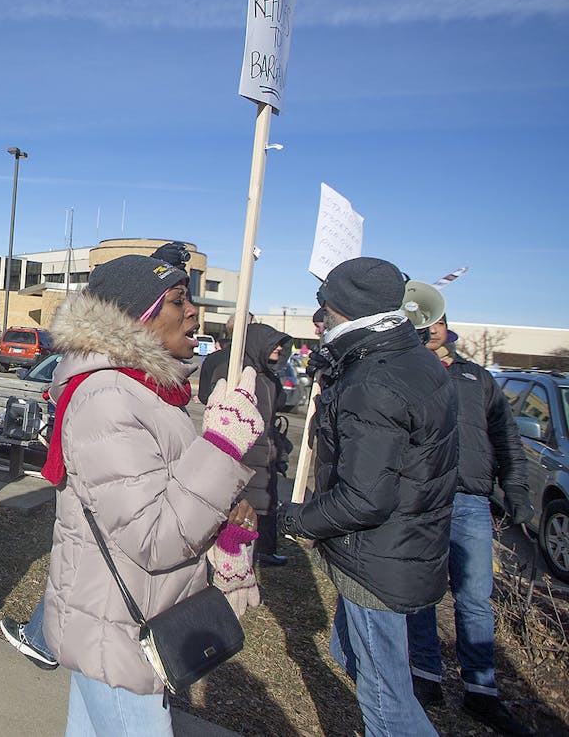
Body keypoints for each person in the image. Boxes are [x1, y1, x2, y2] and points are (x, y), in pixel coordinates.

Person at [43, 255, 261, 736]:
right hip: (118, 630)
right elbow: (155, 536)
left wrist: (223, 526)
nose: (193, 312)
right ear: (134, 317)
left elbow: (167, 501)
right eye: (178, 300)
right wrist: (222, 448)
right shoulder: (109, 397)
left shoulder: (145, 390)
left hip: (127, 620)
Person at [279, 257, 457, 737]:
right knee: (350, 654)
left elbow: (364, 499)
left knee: (385, 700)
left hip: (376, 559)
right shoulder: (411, 357)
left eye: (323, 309)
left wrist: (292, 519)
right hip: (402, 546)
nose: (317, 321)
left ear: (344, 313)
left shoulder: (373, 379)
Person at [407, 312, 533, 735]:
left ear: (447, 328)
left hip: (470, 501)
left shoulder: (478, 379)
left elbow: (506, 435)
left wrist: (514, 485)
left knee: (475, 598)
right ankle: (425, 676)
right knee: (422, 592)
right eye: (425, 323)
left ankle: (481, 691)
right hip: (422, 497)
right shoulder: (409, 372)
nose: (432, 329)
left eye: (438, 321)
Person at [198, 321, 293, 567]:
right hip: (244, 452)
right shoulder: (232, 372)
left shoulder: (269, 377)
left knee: (266, 502)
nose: (279, 350)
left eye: (282, 345)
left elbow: (277, 405)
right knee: (243, 505)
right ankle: (236, 556)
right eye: (274, 345)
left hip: (267, 452)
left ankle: (264, 550)